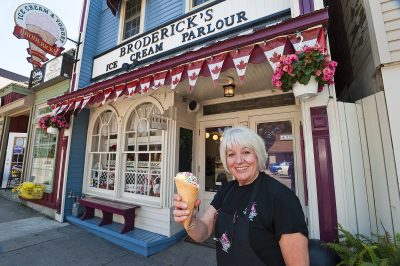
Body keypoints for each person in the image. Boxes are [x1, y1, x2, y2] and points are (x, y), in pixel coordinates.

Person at [173, 126, 309, 266]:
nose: (238, 161)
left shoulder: (282, 198)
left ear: (258, 155)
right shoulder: (226, 190)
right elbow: (203, 232)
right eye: (231, 154)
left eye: (246, 152)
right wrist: (190, 220)